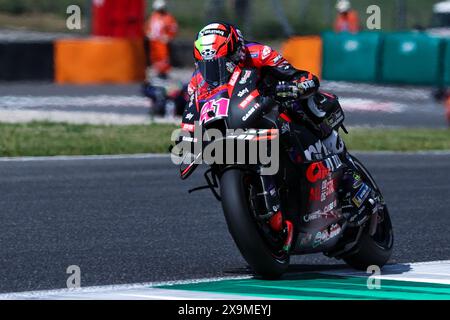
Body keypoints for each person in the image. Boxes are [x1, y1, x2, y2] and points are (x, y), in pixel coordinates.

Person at [179, 22, 375, 229]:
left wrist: (292, 87)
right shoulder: (197, 80)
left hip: (274, 107)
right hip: (238, 123)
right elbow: (193, 110)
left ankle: (347, 174)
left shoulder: (258, 53)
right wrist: (188, 136)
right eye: (207, 63)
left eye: (221, 61)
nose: (214, 69)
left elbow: (302, 77)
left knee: (308, 106)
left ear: (236, 50)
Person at [145, 0, 178, 79]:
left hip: (162, 41)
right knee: (154, 56)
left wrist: (169, 36)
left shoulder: (168, 17)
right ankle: (158, 71)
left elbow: (173, 28)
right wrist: (148, 33)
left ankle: (163, 72)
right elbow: (148, 26)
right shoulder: (154, 16)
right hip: (153, 41)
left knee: (163, 57)